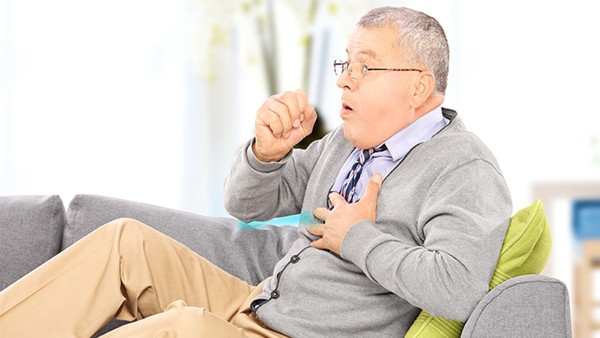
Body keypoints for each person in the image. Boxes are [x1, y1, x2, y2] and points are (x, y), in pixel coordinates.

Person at [0, 6, 512, 337]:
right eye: (346, 64)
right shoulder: (347, 142)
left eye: (365, 66)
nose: (345, 82)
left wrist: (357, 237)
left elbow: (460, 288)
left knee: (177, 329)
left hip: (299, 336)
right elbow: (247, 205)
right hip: (259, 305)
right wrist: (266, 155)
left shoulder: (463, 167)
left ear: (420, 86)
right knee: (122, 242)